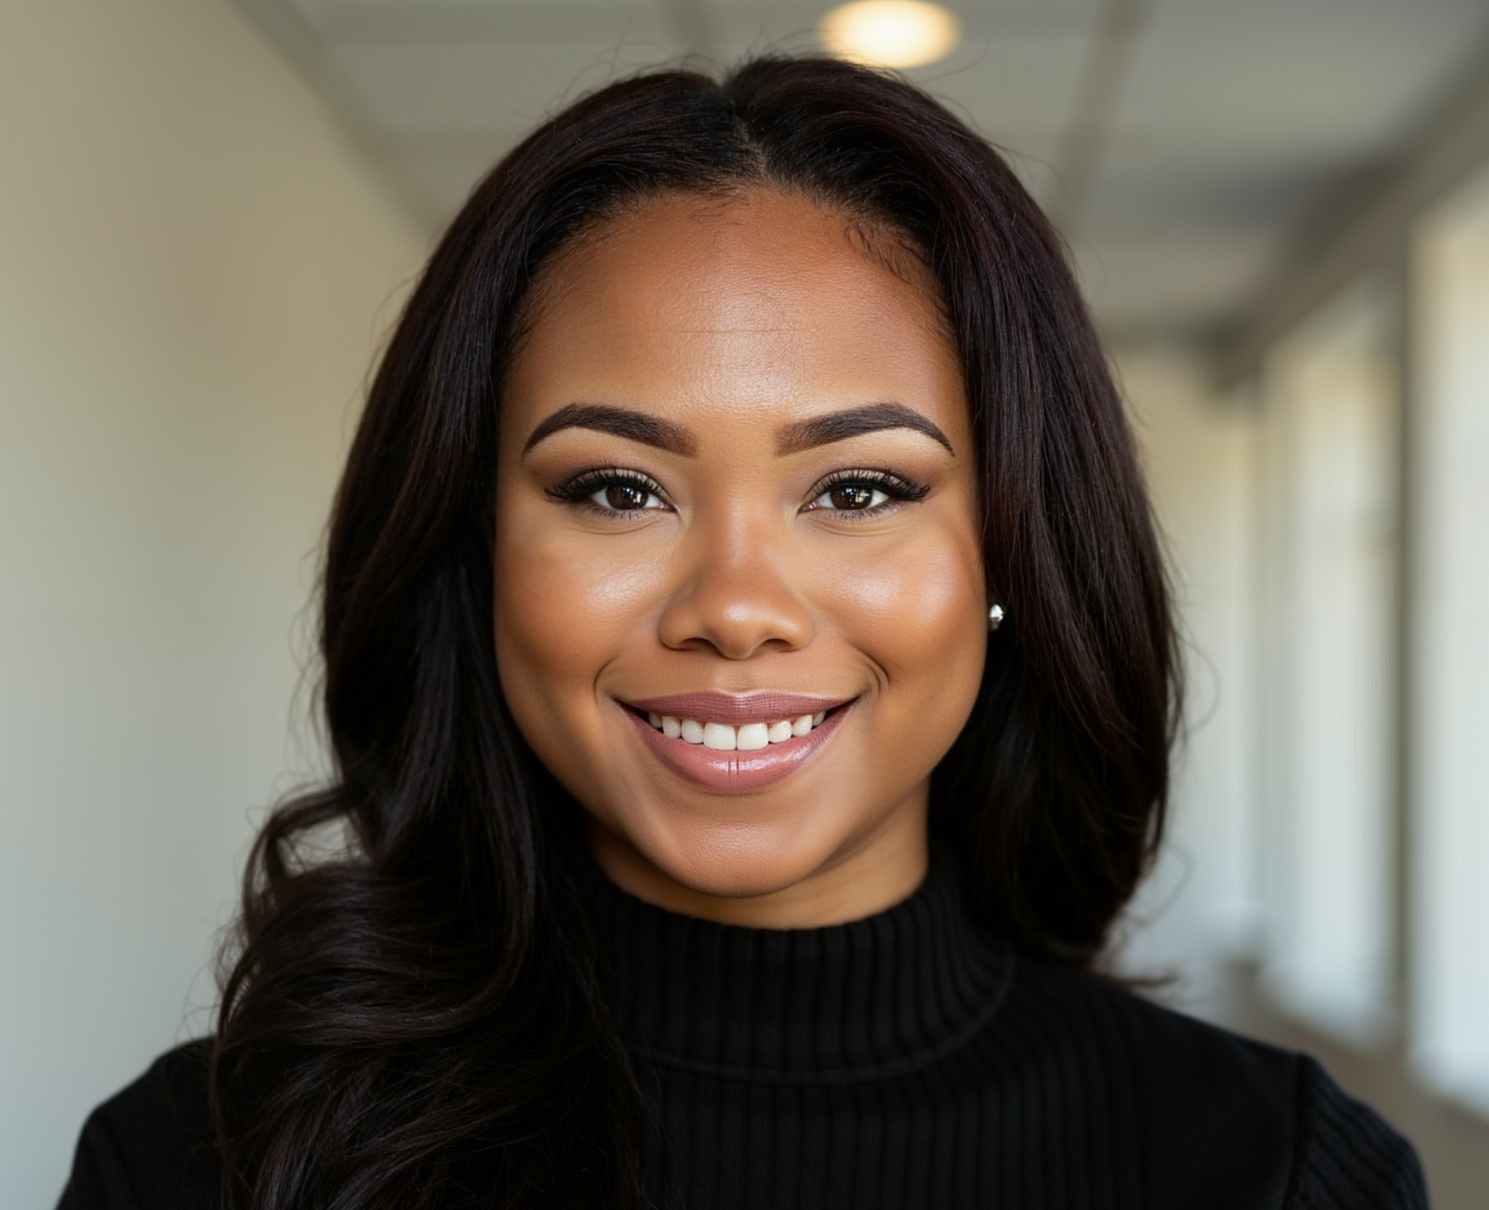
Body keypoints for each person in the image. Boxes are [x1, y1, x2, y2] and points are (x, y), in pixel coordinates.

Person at [58, 56, 1426, 1210]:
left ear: (1008, 551)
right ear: (472, 554)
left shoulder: (1280, 1171)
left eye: (859, 488)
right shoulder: (205, 1162)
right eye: (616, 487)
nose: (734, 608)